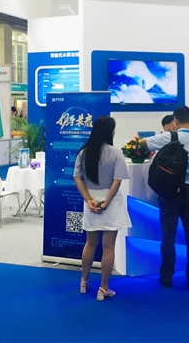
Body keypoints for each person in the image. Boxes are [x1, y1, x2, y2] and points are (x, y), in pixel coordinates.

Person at [141, 106, 189, 289]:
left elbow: (143, 143)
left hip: (170, 193)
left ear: (175, 121)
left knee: (168, 236)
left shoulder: (169, 137)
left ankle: (166, 277)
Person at [73, 115, 131, 301]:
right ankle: (103, 287)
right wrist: (106, 202)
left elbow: (77, 177)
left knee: (90, 244)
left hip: (90, 200)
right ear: (110, 131)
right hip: (110, 202)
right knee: (108, 247)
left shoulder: (84, 152)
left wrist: (89, 200)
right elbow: (117, 180)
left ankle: (83, 281)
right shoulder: (115, 152)